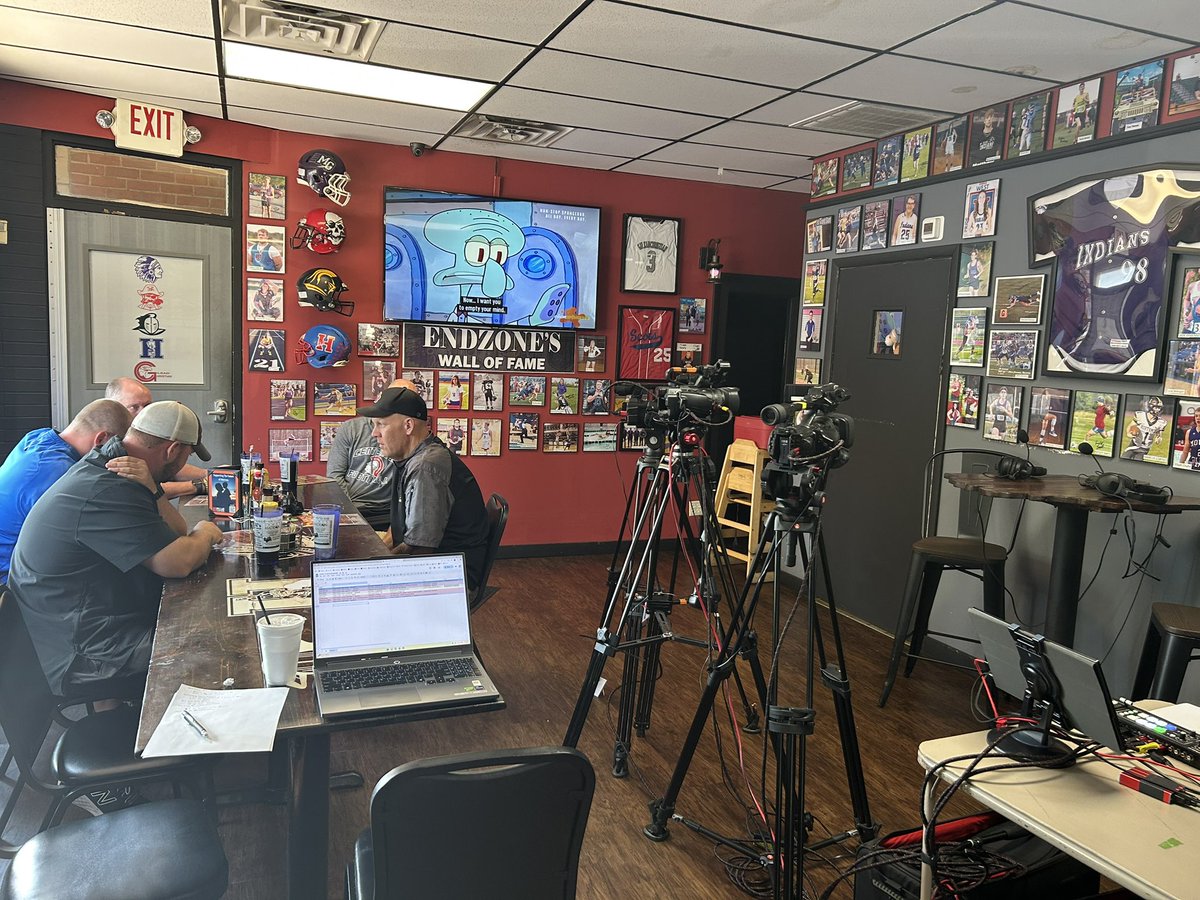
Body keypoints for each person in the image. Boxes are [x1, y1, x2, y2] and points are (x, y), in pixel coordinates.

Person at [8, 401, 223, 698]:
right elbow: (178, 561)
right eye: (188, 452)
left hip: (74, 629)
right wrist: (208, 533)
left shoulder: (116, 467)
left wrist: (154, 489)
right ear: (173, 450)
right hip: (79, 653)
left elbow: (176, 532)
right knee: (213, 649)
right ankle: (157, 740)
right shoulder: (110, 485)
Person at [358, 387, 489, 590]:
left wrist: (370, 570)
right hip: (436, 567)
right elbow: (400, 526)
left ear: (408, 426)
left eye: (381, 425)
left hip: (450, 580)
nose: (374, 433)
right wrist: (373, 556)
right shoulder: (411, 458)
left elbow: (419, 549)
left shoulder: (426, 466)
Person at [0, 399, 132, 584]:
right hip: (8, 578)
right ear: (101, 439)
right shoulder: (59, 471)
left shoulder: (37, 437)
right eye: (115, 447)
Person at [327, 378, 418, 531]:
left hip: (389, 513)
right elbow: (335, 476)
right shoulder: (351, 429)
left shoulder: (412, 437)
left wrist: (396, 524)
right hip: (353, 506)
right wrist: (351, 515)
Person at [105, 377, 210, 498]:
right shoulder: (109, 442)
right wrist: (201, 485)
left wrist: (210, 474)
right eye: (134, 407)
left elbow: (167, 465)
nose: (145, 412)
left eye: (148, 405)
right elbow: (138, 489)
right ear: (114, 407)